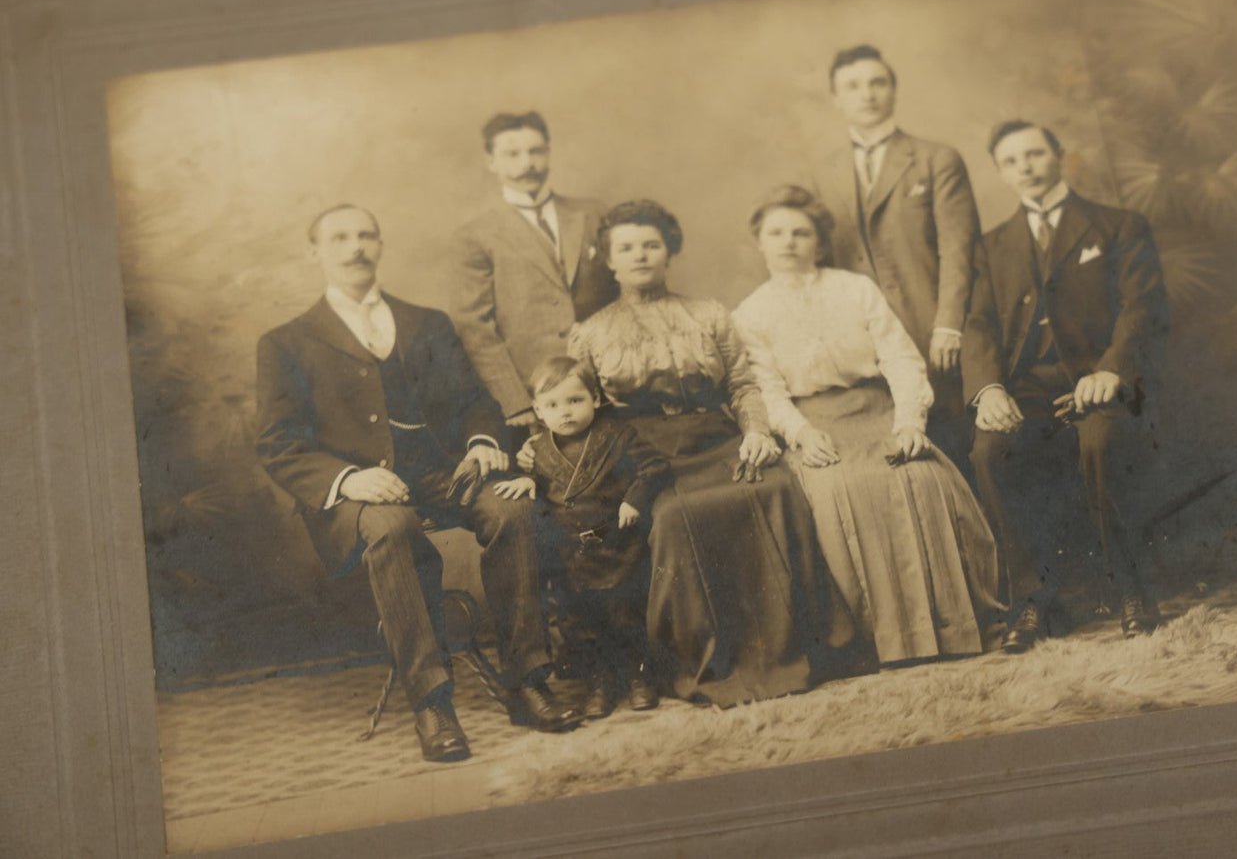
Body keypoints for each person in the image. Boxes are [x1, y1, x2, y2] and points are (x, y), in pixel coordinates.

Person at [255, 204, 581, 764]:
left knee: (512, 511)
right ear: (316, 252)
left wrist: (482, 441)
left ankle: (528, 680)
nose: (355, 247)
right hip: (358, 486)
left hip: (439, 470)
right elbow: (278, 442)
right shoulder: (287, 341)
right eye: (340, 238)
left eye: (366, 235)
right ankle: (432, 701)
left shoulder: (426, 322)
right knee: (392, 525)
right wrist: (350, 478)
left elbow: (473, 402)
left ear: (380, 245)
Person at [567, 200, 865, 706]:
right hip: (645, 458)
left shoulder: (708, 314)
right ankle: (705, 661)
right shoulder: (590, 333)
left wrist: (755, 431)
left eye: (651, 244)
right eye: (627, 248)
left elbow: (744, 383)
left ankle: (799, 650)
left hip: (716, 440)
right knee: (677, 515)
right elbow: (583, 412)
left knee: (776, 489)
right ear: (609, 261)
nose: (640, 255)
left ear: (669, 252)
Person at [733, 186, 1007, 663]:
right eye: (776, 233)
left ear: (819, 243)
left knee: (921, 475)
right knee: (838, 487)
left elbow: (899, 358)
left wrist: (908, 422)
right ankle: (879, 641)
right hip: (812, 421)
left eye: (802, 233)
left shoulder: (855, 288)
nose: (789, 242)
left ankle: (956, 627)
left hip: (877, 410)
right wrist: (800, 434)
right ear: (760, 242)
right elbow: (766, 389)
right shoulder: (750, 313)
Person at [962, 121, 1169, 652]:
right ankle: (1034, 601)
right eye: (1011, 161)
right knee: (991, 450)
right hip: (1028, 387)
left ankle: (1132, 591)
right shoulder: (991, 246)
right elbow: (979, 323)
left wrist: (1111, 370)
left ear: (1059, 155)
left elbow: (1140, 307)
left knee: (1100, 442)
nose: (1025, 167)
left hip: (1100, 378)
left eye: (1035, 154)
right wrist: (987, 390)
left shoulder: (1117, 225)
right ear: (1001, 173)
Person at [810, 44, 982, 466]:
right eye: (852, 86)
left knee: (951, 445)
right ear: (836, 99)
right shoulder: (823, 172)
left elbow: (959, 249)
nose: (866, 94)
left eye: (877, 83)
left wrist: (948, 325)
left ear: (893, 90)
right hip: (866, 338)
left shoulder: (935, 158)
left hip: (930, 327)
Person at [493, 356, 672, 719]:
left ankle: (640, 677)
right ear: (539, 412)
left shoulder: (618, 435)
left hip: (616, 542)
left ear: (595, 399)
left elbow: (656, 467)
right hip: (571, 553)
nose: (566, 412)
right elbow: (544, 491)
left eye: (575, 400)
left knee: (627, 614)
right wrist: (529, 481)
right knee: (583, 623)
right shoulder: (537, 451)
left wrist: (632, 500)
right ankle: (600, 682)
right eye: (553, 405)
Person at [451, 111, 617, 429]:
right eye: (512, 154)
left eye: (536, 151)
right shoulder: (476, 235)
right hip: (540, 398)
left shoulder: (593, 213)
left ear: (548, 153)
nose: (528, 163)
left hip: (609, 384)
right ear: (491, 161)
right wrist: (515, 403)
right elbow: (475, 329)